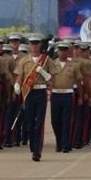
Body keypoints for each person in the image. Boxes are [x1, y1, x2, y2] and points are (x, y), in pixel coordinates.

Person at [14, 33, 56, 161]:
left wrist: (43, 72)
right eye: (32, 43)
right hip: (29, 93)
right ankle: (33, 146)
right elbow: (20, 76)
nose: (34, 46)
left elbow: (52, 79)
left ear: (40, 44)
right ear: (29, 45)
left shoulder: (46, 60)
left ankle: (37, 151)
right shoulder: (24, 60)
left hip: (41, 92)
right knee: (30, 123)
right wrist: (17, 85)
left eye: (36, 43)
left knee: (39, 123)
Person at [49, 42, 83, 153]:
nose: (62, 52)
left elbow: (78, 82)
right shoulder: (52, 64)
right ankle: (59, 142)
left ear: (68, 51)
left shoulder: (73, 65)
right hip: (55, 94)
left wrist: (80, 97)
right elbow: (47, 79)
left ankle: (65, 144)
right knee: (55, 121)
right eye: (61, 50)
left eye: (65, 50)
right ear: (58, 51)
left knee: (66, 120)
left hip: (68, 94)